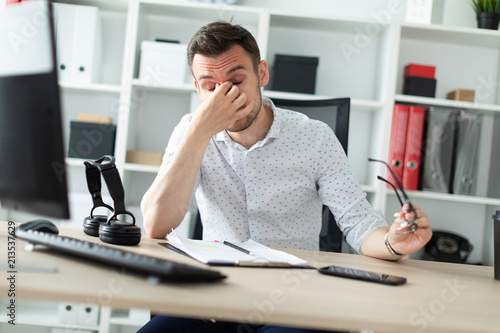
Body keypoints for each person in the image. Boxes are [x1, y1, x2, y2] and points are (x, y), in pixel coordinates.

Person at [139, 21, 432, 333]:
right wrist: (200, 130)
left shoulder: (315, 137)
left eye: (236, 80)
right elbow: (157, 224)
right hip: (214, 294)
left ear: (261, 74)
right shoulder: (190, 131)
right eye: (210, 87)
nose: (224, 96)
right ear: (198, 89)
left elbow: (359, 225)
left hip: (292, 299)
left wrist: (393, 243)